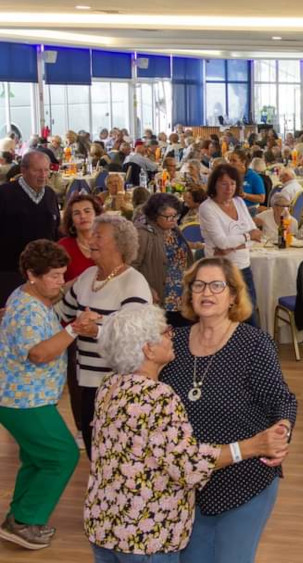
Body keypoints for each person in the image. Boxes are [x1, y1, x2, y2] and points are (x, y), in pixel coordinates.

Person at [85, 304, 290, 562]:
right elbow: (189, 466)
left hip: (105, 526)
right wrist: (253, 446)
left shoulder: (109, 385)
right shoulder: (157, 396)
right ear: (148, 349)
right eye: (165, 332)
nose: (172, 335)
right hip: (146, 535)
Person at [159, 257, 297, 562]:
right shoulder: (174, 343)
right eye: (199, 285)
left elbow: (282, 400)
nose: (206, 292)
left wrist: (281, 431)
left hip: (244, 476)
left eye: (216, 285)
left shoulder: (253, 343)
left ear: (233, 295)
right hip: (188, 482)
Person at [0, 241, 86, 550]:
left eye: (63, 275)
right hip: (23, 400)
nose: (60, 282)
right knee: (61, 454)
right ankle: (25, 521)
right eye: (54, 276)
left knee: (37, 459)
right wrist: (74, 329)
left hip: (27, 398)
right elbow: (37, 354)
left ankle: (18, 519)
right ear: (31, 275)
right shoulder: (26, 308)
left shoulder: (31, 298)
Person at [56, 214, 152, 458]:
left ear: (119, 244)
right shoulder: (88, 277)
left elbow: (135, 331)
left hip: (118, 387)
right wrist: (29, 307)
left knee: (117, 458)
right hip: (87, 385)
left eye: (99, 236)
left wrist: (97, 328)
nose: (91, 239)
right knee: (94, 454)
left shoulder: (133, 282)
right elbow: (60, 312)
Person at [57, 193, 104, 446]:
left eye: (87, 211)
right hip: (74, 321)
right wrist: (81, 280)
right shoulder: (64, 246)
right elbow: (55, 288)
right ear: (71, 220)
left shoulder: (107, 241)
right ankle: (80, 428)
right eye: (77, 213)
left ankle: (103, 424)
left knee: (103, 374)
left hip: (105, 318)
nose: (83, 216)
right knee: (77, 376)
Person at [197, 163, 262, 327]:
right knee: (224, 320)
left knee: (249, 317)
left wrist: (232, 246)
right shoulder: (207, 208)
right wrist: (246, 237)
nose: (229, 188)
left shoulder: (239, 202)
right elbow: (222, 242)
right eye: (224, 184)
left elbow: (256, 235)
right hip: (220, 270)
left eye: (232, 183)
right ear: (215, 185)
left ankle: (253, 352)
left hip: (243, 267)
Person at [0, 151, 61, 303]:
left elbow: (55, 232)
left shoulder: (50, 195)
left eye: (46, 170)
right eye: (37, 170)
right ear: (23, 170)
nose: (43, 175)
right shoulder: (4, 194)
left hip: (44, 273)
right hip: (11, 274)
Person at [134, 193, 194, 328]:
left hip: (182, 296)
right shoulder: (142, 233)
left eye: (175, 216)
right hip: (162, 297)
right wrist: (148, 288)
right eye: (168, 216)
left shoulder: (173, 228)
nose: (173, 220)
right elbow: (131, 266)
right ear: (155, 216)